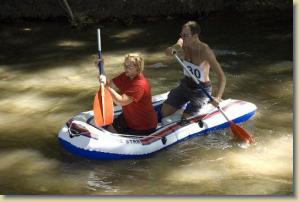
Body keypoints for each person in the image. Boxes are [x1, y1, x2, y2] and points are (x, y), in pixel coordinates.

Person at [161, 21, 226, 122]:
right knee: (164, 113)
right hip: (185, 85)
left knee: (185, 121)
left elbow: (221, 76)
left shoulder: (205, 51)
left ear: (195, 36)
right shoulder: (184, 43)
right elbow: (176, 45)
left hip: (200, 91)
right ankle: (184, 104)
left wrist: (218, 97)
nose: (183, 37)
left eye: (186, 35)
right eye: (181, 34)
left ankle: (204, 102)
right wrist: (172, 49)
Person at [99, 53, 158, 135]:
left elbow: (121, 102)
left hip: (144, 125)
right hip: (128, 118)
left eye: (129, 66)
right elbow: (110, 84)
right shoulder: (126, 76)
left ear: (138, 68)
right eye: (125, 65)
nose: (125, 68)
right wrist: (101, 69)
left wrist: (106, 86)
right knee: (108, 131)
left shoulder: (140, 85)